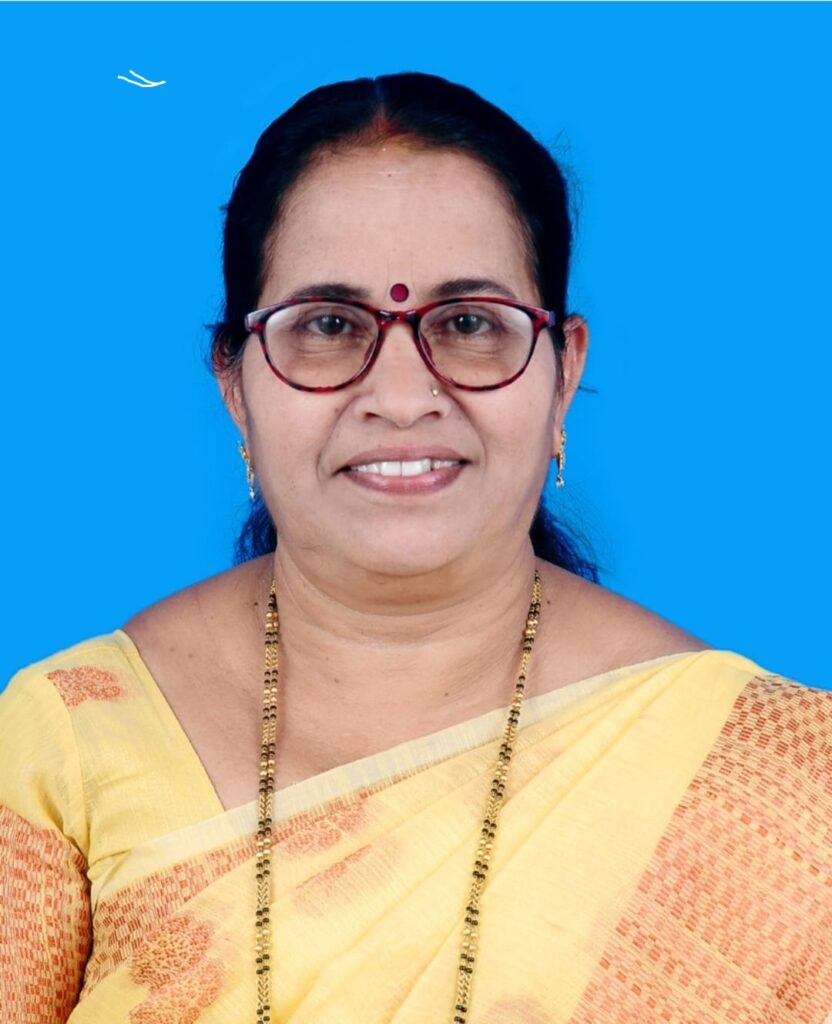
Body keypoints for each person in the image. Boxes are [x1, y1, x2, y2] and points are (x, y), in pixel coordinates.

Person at [1, 71, 829, 1024]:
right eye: (327, 326)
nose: (400, 398)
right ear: (234, 383)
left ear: (565, 373)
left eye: (468, 324)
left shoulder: (776, 784)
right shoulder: (73, 744)